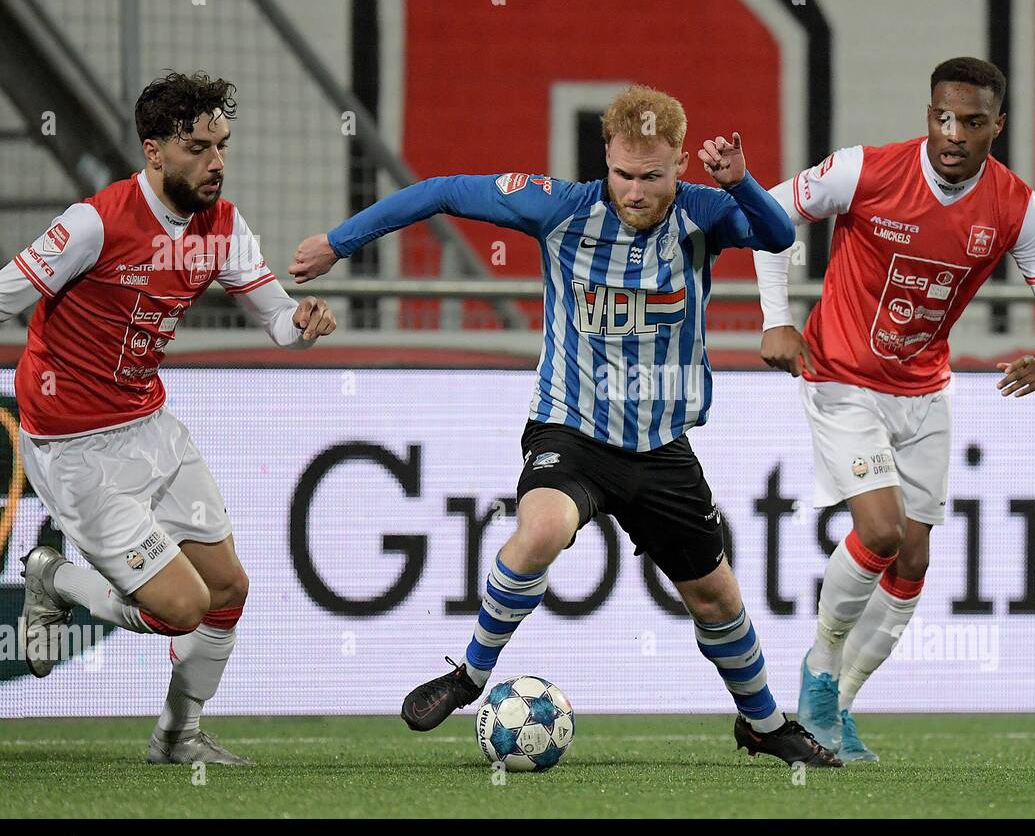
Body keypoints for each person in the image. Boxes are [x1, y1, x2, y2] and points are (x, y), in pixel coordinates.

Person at [291, 84, 839, 767]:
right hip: (570, 430)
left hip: (659, 445)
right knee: (542, 529)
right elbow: (437, 192)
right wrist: (339, 242)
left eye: (653, 177)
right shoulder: (559, 209)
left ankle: (761, 723)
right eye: (623, 175)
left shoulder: (704, 214)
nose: (636, 192)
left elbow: (779, 235)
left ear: (678, 167)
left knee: (715, 594)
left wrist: (744, 183)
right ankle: (470, 673)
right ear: (604, 160)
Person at [753, 57, 1035, 761]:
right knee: (879, 531)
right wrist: (776, 319)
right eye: (943, 116)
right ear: (928, 113)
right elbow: (769, 213)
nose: (954, 133)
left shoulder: (1014, 206)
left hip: (925, 389)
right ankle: (818, 672)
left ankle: (837, 711)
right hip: (840, 374)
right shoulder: (866, 170)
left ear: (997, 124)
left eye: (971, 121)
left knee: (913, 557)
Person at [6, 71, 336, 764]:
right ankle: (52, 577)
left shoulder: (221, 226)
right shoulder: (94, 223)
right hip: (73, 444)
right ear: (154, 151)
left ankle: (177, 738)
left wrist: (301, 322)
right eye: (197, 148)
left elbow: (276, 318)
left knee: (228, 589)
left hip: (148, 424)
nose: (216, 162)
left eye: (222, 145)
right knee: (180, 607)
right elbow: (5, 296)